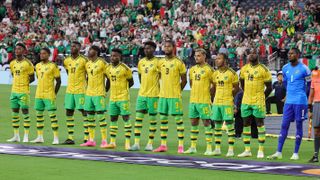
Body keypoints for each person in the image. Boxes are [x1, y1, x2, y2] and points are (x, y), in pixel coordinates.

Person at [268, 48, 311, 160]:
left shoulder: (304, 69)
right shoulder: (285, 68)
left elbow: (309, 85)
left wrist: (304, 97)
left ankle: (295, 153)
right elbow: (286, 82)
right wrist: (289, 94)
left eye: (292, 53)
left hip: (300, 102)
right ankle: (278, 152)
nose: (289, 55)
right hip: (289, 102)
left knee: (298, 125)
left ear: (297, 55)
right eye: (289, 53)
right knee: (284, 125)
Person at [238, 48, 272, 159]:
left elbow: (269, 87)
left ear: (257, 55)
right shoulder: (244, 69)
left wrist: (262, 97)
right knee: (246, 124)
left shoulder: (264, 69)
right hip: (246, 100)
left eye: (254, 53)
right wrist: (246, 93)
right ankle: (247, 150)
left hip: (258, 101)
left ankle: (260, 150)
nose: (251, 55)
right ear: (247, 56)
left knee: (260, 124)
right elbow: (242, 83)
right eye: (250, 53)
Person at [153, 40, 187, 153]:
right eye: (165, 46)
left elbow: (184, 80)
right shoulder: (160, 62)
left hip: (174, 96)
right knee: (163, 119)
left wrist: (178, 91)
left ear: (173, 48)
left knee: (178, 120)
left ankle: (181, 146)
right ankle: (163, 145)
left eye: (169, 46)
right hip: (163, 96)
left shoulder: (179, 62)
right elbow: (158, 77)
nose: (166, 48)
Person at [130, 41, 160, 151]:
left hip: (154, 95)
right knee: (138, 119)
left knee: (152, 120)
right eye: (145, 48)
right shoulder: (141, 62)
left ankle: (150, 143)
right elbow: (140, 77)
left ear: (153, 49)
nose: (147, 50)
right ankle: (136, 143)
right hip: (142, 95)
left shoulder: (158, 62)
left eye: (149, 48)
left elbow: (161, 78)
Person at [184, 48, 214, 155]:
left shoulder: (209, 69)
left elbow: (213, 85)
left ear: (204, 56)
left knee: (206, 123)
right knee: (193, 123)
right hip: (193, 101)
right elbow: (191, 84)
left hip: (204, 101)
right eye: (195, 56)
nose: (196, 57)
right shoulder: (192, 69)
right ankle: (193, 147)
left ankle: (209, 148)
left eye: (199, 56)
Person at [104, 48, 134, 150]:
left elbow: (131, 82)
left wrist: (124, 90)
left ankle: (127, 143)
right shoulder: (108, 68)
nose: (113, 58)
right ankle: (112, 142)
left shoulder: (125, 68)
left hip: (123, 98)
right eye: (112, 56)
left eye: (115, 56)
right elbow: (108, 80)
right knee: (113, 119)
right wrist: (105, 91)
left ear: (120, 57)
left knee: (126, 118)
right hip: (112, 98)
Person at [80, 46, 109, 148]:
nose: (88, 52)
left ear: (96, 52)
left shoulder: (102, 63)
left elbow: (108, 77)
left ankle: (104, 140)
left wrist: (105, 90)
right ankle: (91, 140)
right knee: (90, 116)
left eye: (90, 50)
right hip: (89, 94)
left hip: (99, 94)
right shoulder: (87, 64)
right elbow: (87, 78)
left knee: (101, 116)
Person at [211, 53, 239, 157]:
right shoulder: (215, 73)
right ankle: (217, 149)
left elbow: (236, 88)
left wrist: (229, 97)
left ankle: (231, 150)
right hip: (217, 102)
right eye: (216, 58)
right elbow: (213, 88)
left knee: (229, 125)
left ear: (225, 60)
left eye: (219, 58)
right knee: (217, 125)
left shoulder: (232, 73)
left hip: (227, 102)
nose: (216, 60)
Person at [31, 47, 61, 144]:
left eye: (44, 53)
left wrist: (54, 93)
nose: (41, 55)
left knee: (52, 116)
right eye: (41, 53)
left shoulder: (53, 66)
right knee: (39, 116)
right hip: (38, 94)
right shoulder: (37, 66)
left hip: (49, 95)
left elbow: (59, 81)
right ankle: (40, 137)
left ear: (48, 55)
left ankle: (56, 138)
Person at [7, 43, 35, 143]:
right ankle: (16, 135)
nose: (17, 50)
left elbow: (32, 78)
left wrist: (24, 84)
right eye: (16, 49)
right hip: (14, 91)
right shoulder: (12, 63)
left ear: (23, 51)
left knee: (25, 113)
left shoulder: (28, 63)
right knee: (14, 113)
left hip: (24, 92)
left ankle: (26, 136)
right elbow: (13, 75)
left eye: (19, 49)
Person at [62, 41, 88, 145]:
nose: (72, 48)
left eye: (74, 46)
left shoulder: (84, 60)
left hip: (81, 90)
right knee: (69, 111)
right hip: (69, 90)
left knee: (84, 111)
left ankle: (87, 136)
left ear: (79, 47)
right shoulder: (66, 60)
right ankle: (70, 137)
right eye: (71, 46)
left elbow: (89, 74)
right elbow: (68, 72)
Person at [308, 67, 320, 163]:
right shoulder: (315, 76)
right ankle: (315, 156)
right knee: (316, 130)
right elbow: (311, 95)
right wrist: (309, 110)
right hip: (317, 105)